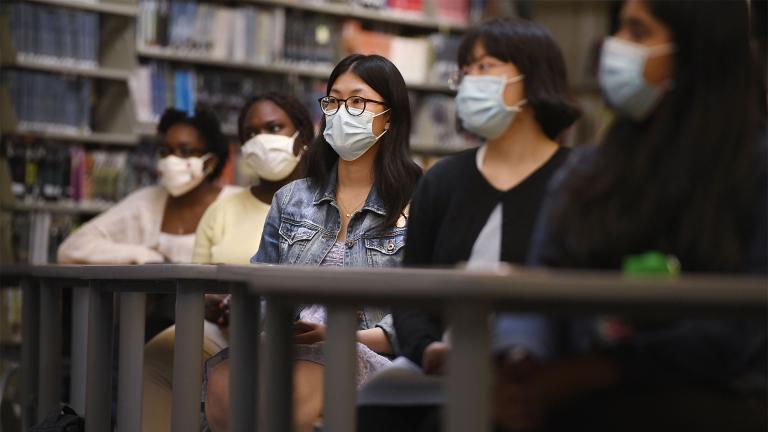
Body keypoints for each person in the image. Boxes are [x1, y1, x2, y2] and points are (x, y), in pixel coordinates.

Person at [492, 1, 767, 431]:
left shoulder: (753, 171)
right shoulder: (587, 171)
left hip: (705, 401)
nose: (614, 48)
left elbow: (733, 334)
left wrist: (588, 373)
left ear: (696, 51)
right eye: (619, 29)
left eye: (638, 33)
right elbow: (539, 285)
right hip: (567, 391)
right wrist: (521, 357)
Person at [202, 53, 422, 432]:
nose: (341, 111)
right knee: (223, 381)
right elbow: (263, 286)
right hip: (287, 346)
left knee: (294, 387)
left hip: (366, 351)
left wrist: (343, 334)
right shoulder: (291, 199)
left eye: (358, 101)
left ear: (391, 116)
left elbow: (426, 311)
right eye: (333, 101)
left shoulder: (419, 198)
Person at [391, 15, 580, 381]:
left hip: (546, 376)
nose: (469, 82)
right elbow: (410, 293)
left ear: (533, 76)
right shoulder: (442, 180)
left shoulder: (579, 180)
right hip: (441, 372)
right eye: (464, 72)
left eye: (484, 66)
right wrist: (427, 348)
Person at [141, 94, 314, 432]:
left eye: (273, 128)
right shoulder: (223, 210)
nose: (261, 140)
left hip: (296, 329)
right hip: (224, 329)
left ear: (303, 136)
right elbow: (196, 280)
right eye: (250, 134)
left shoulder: (325, 204)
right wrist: (210, 303)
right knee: (160, 353)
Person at [57, 107, 237, 264]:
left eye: (185, 151)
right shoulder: (146, 202)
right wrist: (142, 256)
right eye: (166, 151)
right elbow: (72, 248)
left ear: (210, 162)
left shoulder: (236, 203)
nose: (171, 159)